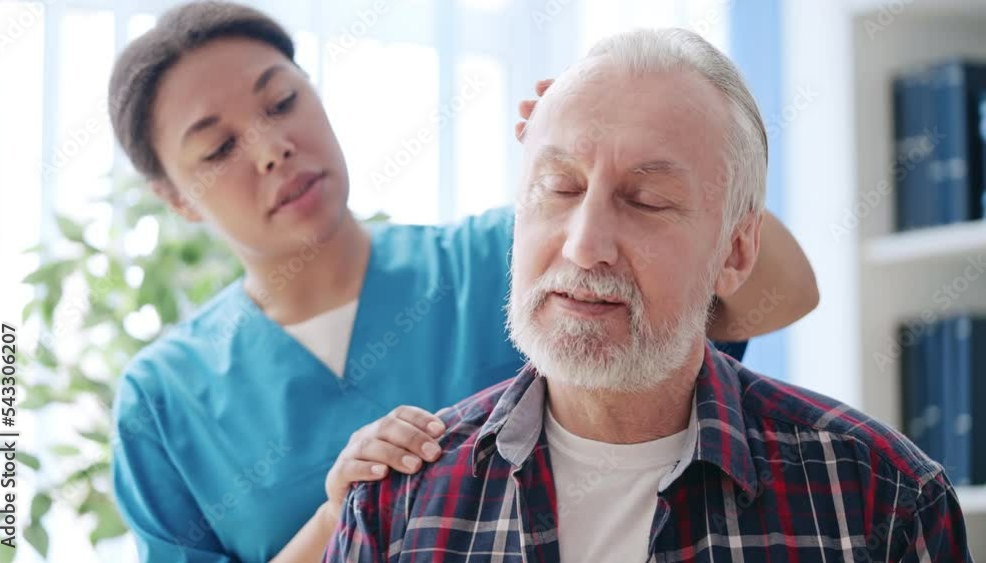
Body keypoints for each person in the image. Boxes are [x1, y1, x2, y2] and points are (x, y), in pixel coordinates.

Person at [107, 3, 819, 562]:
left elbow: (781, 289)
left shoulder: (499, 257)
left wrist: (614, 154)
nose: (272, 148)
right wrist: (342, 517)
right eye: (219, 147)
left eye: (281, 101)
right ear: (175, 197)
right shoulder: (164, 402)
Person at [322, 27, 971, 563]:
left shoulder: (879, 500)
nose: (585, 245)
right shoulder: (393, 509)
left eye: (646, 199)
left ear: (737, 253)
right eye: (560, 186)